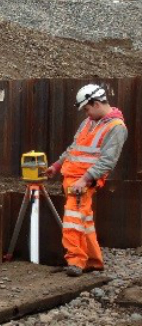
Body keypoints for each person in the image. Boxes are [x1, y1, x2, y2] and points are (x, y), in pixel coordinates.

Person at [45, 83, 127, 277]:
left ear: (97, 103)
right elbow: (74, 148)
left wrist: (84, 180)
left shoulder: (116, 128)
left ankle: (75, 261)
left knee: (72, 220)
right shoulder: (89, 122)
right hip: (71, 177)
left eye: (87, 109)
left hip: (82, 182)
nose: (86, 113)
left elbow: (107, 161)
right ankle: (93, 260)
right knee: (84, 220)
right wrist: (57, 166)